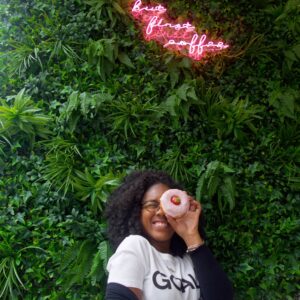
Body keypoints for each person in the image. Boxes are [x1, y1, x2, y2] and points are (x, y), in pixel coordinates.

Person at [105, 170, 234, 300]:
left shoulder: (189, 260)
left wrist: (191, 235)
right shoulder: (136, 246)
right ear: (137, 212)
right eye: (152, 205)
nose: (161, 212)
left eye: (168, 205)